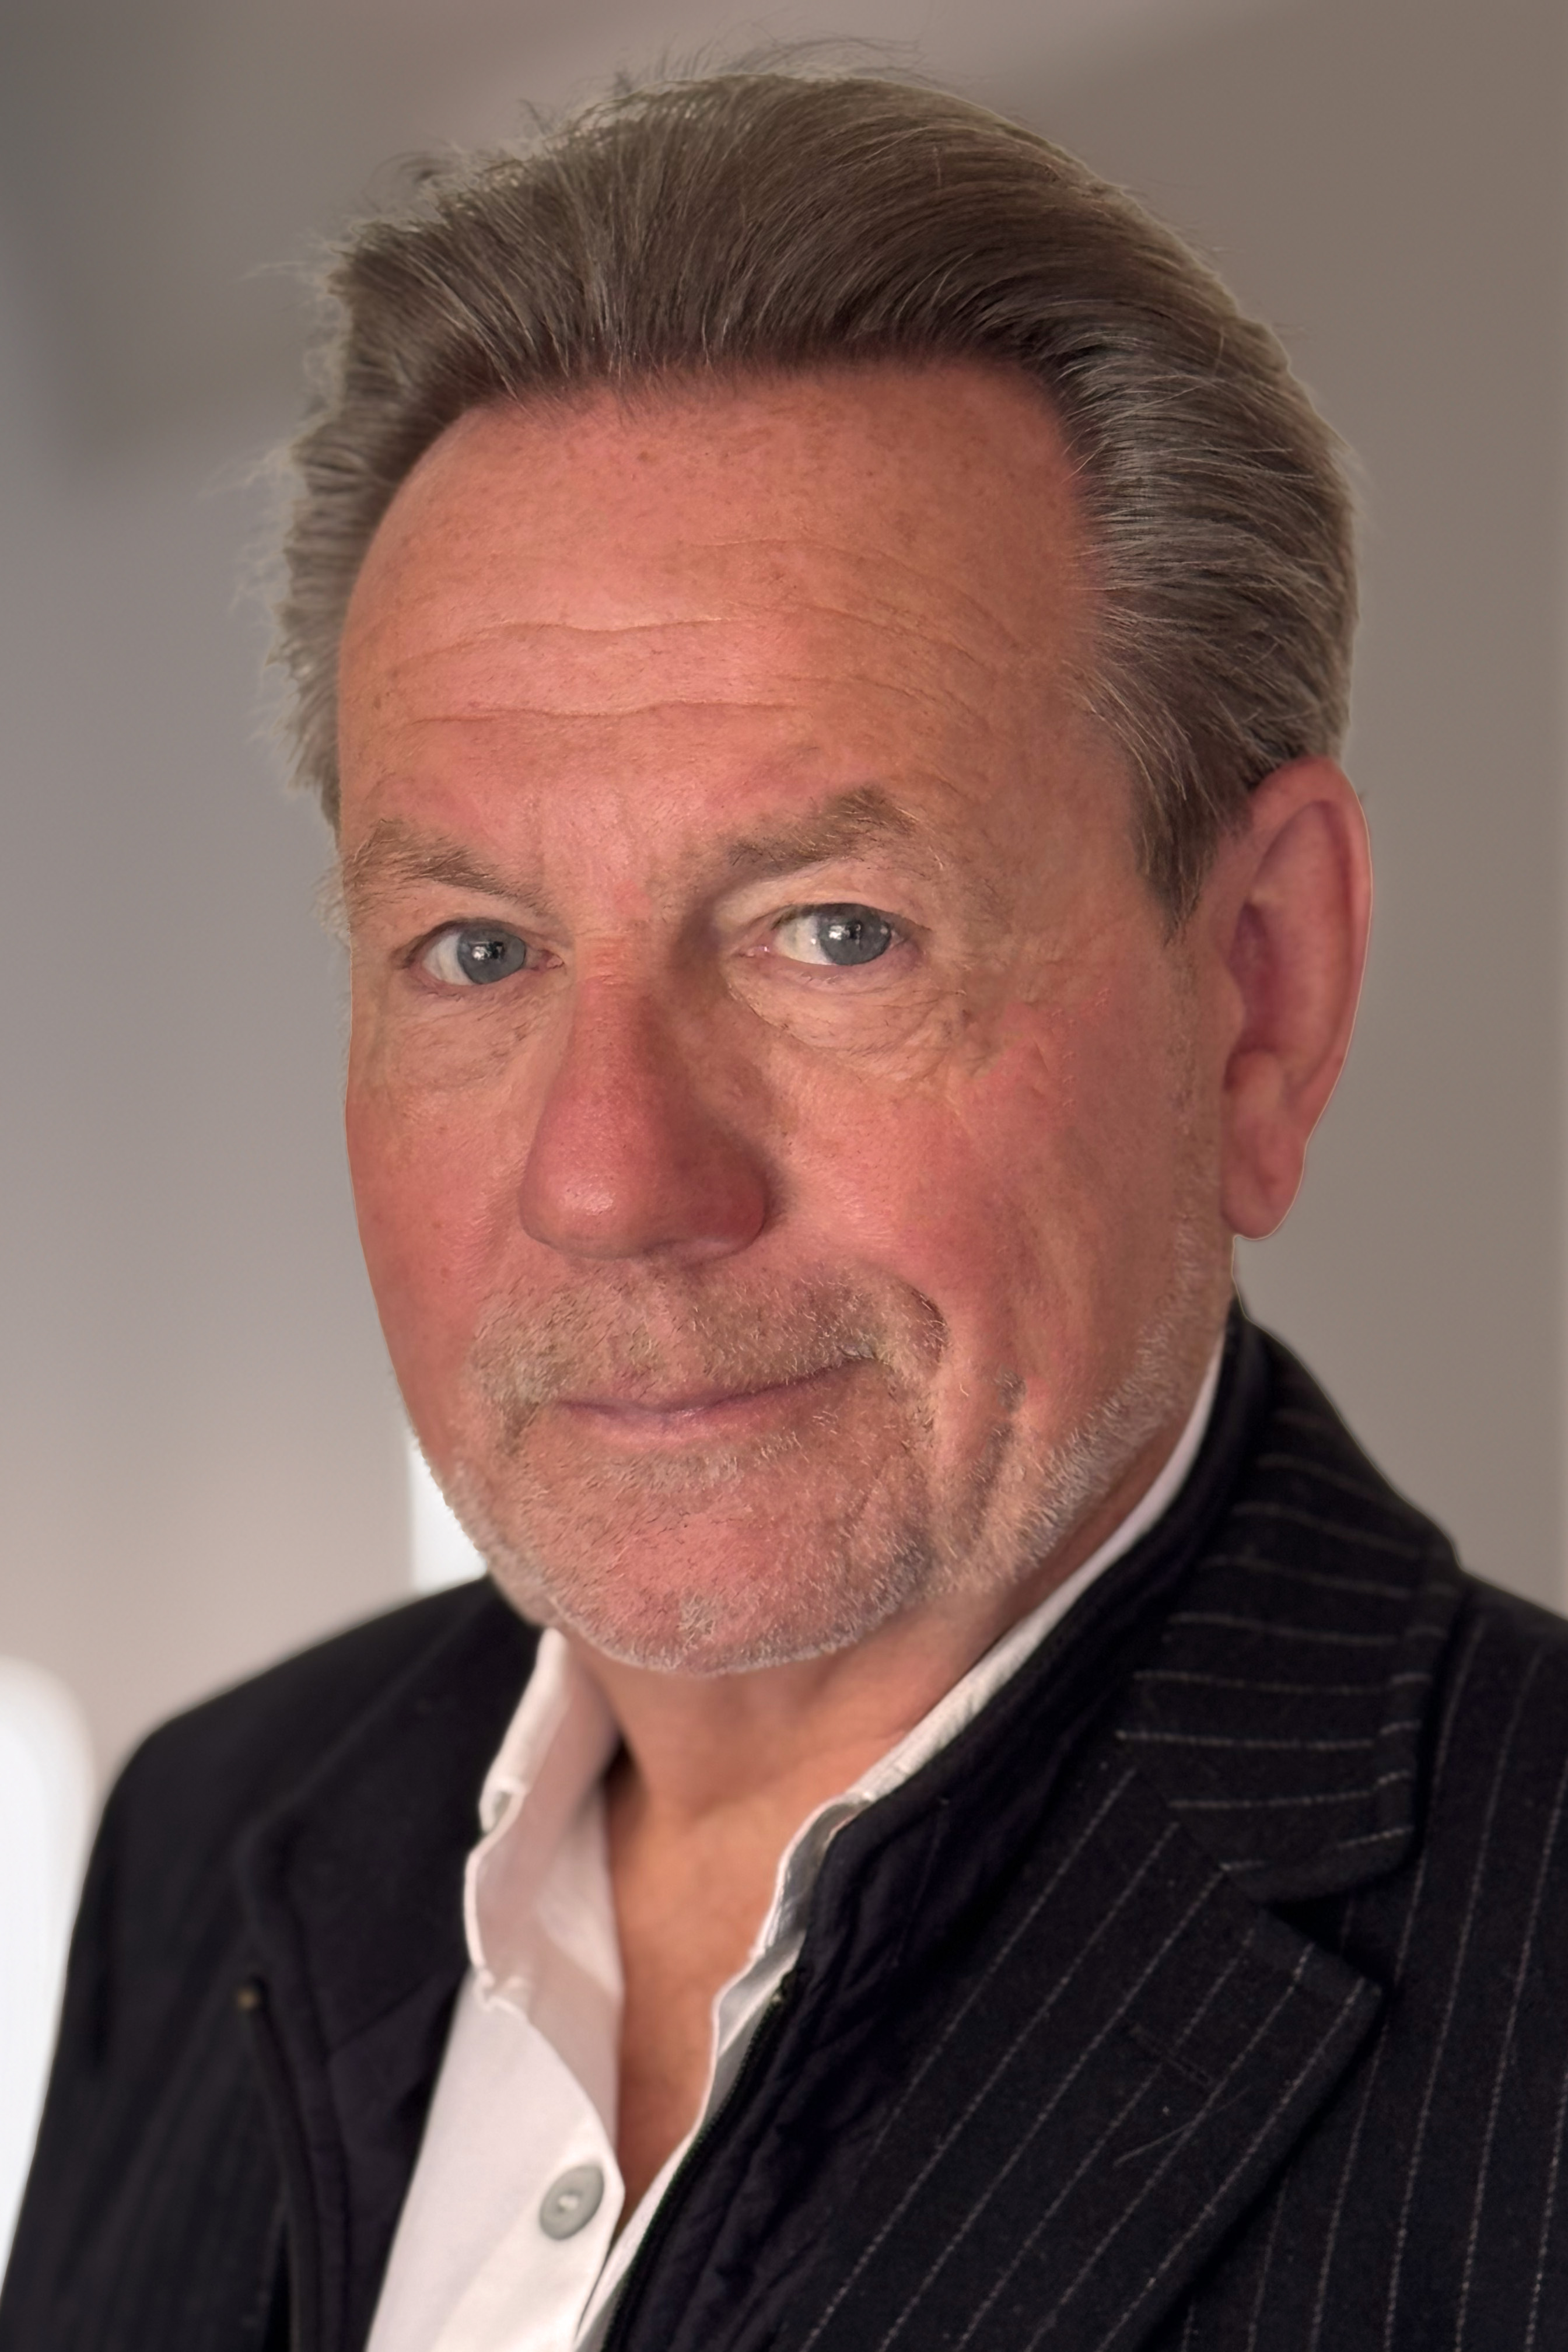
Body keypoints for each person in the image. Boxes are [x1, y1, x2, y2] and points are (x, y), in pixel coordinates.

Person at [5, 64, 1567, 2352]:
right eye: (477, 950)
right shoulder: (210, 1837)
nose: (612, 1181)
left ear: (1259, 989)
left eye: (833, 933)